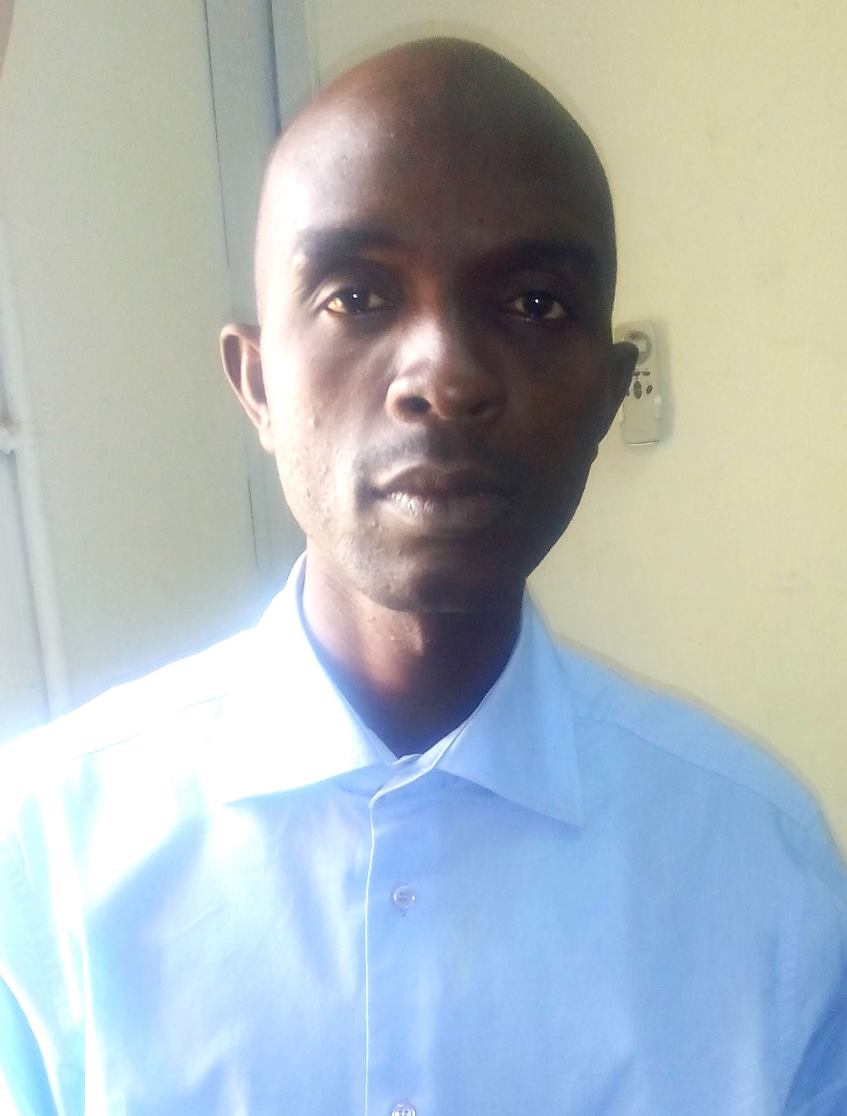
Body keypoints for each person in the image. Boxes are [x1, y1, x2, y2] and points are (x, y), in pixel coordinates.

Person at [1, 37, 845, 1116]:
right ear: (257, 386)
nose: (443, 374)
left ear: (603, 395)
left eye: (532, 303)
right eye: (355, 296)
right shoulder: (44, 862)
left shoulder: (759, 869)